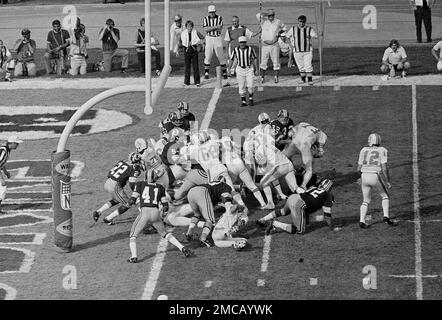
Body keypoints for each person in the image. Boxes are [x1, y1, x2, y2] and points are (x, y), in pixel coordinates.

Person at [127, 169, 193, 263]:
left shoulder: (140, 184)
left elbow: (132, 200)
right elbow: (165, 206)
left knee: (133, 235)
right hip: (155, 212)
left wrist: (130, 203)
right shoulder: (160, 187)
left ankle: (134, 256)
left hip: (145, 212)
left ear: (146, 177)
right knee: (164, 233)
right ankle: (182, 247)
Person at [256, 178, 335, 235]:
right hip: (298, 204)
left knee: (283, 211)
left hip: (293, 197)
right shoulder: (328, 195)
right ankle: (275, 223)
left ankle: (261, 220)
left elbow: (309, 203)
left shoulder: (313, 187)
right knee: (300, 231)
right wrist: (332, 227)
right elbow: (327, 214)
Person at [92, 153, 144, 225]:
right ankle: (108, 218)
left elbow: (110, 172)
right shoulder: (135, 168)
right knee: (128, 203)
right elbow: (131, 184)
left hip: (108, 182)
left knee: (116, 200)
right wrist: (136, 193)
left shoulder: (123, 161)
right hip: (115, 185)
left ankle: (98, 212)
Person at [357, 133, 396, 228]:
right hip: (374, 175)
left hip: (364, 176)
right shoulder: (382, 150)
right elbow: (384, 168)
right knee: (385, 195)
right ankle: (386, 216)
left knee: (365, 200)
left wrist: (359, 178)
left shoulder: (363, 150)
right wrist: (388, 181)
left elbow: (358, 168)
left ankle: (362, 221)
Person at [283, 122, 327, 192]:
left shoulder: (302, 124)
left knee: (281, 159)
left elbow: (290, 133)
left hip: (294, 143)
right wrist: (314, 155)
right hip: (305, 146)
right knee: (309, 170)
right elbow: (320, 152)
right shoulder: (323, 135)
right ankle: (303, 186)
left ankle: (292, 171)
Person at [255, 9, 287, 83]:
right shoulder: (263, 20)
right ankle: (262, 77)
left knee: (276, 61)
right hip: (265, 45)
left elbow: (285, 27)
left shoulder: (278, 21)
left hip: (274, 45)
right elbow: (257, 15)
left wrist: (279, 33)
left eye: (272, 15)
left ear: (274, 15)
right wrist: (266, 14)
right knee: (263, 62)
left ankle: (276, 77)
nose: (271, 17)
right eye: (269, 15)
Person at [286, 15, 317, 85]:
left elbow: (315, 35)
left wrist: (320, 34)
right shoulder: (293, 29)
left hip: (307, 51)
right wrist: (291, 44)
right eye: (300, 21)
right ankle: (303, 80)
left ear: (305, 22)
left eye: (303, 22)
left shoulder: (309, 29)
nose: (302, 23)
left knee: (308, 65)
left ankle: (310, 80)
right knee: (301, 66)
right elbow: (287, 36)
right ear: (298, 21)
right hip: (297, 51)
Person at [230, 36, 258, 107]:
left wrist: (256, 69)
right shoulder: (235, 50)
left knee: (251, 85)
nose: (242, 44)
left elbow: (254, 59)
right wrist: (229, 68)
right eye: (241, 43)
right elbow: (232, 59)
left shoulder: (250, 49)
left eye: (243, 42)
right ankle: (243, 101)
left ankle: (251, 99)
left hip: (249, 69)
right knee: (241, 86)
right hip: (239, 69)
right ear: (239, 43)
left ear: (246, 43)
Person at [203, 5, 228, 79]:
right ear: (208, 12)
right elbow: (206, 29)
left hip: (217, 37)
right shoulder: (206, 18)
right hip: (209, 38)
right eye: (210, 12)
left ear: (215, 12)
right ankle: (206, 73)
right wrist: (215, 27)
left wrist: (210, 28)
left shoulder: (219, 18)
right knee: (208, 55)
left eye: (213, 12)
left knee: (220, 56)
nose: (212, 14)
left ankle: (224, 72)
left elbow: (220, 28)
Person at [0, 136, 23, 214]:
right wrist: (1, 178)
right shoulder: (4, 150)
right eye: (16, 143)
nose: (17, 145)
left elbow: (1, 163)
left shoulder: (6, 150)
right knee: (2, 188)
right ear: (12, 143)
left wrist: (5, 172)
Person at [181, 20, 204, 87]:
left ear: (192, 27)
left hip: (194, 50)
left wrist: (200, 45)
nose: (189, 28)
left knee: (195, 66)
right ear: (186, 27)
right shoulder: (183, 33)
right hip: (186, 50)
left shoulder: (196, 32)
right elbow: (180, 41)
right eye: (188, 26)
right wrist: (177, 48)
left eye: (191, 26)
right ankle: (186, 82)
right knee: (187, 67)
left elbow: (202, 37)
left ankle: (197, 82)